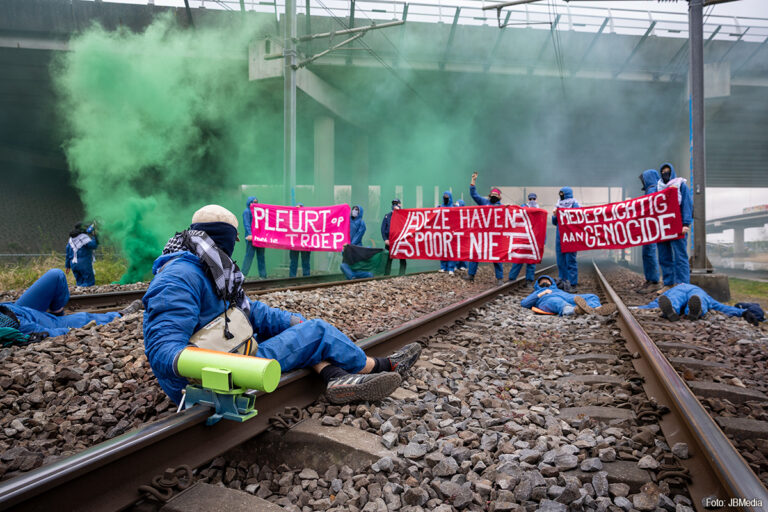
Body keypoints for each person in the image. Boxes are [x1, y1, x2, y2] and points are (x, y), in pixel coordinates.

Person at [143, 205, 421, 405]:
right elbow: (162, 350)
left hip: (226, 357)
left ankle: (335, 377)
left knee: (292, 331)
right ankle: (383, 367)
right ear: (226, 239)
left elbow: (249, 312)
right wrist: (224, 367)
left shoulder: (208, 267)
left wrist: (291, 321)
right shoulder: (178, 279)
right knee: (317, 333)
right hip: (212, 375)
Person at [0, 269, 140, 340]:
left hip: (11, 309)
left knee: (56, 275)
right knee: (82, 320)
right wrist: (70, 331)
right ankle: (118, 315)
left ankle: (56, 317)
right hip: (16, 324)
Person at [637, 283, 761, 325]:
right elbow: (721, 307)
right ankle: (693, 312)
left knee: (676, 298)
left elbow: (655, 303)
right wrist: (742, 312)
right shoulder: (702, 293)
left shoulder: (674, 289)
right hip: (696, 293)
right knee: (700, 299)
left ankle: (673, 311)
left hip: (684, 292)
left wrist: (743, 312)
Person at [656, 162, 692, 293]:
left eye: (668, 172)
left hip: (677, 226)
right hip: (662, 227)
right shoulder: (658, 188)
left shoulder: (681, 185)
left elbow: (687, 204)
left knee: (680, 256)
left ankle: (683, 285)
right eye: (663, 172)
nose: (665, 174)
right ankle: (668, 284)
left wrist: (686, 223)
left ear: (672, 173)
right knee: (664, 256)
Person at [465, 172, 504, 285]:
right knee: (475, 253)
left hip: (495, 236)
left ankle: (500, 278)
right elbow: (474, 195)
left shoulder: (502, 207)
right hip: (481, 234)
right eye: (492, 195)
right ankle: (471, 275)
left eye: (496, 196)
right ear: (489, 195)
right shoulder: (484, 202)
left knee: (496, 256)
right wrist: (473, 180)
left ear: (499, 197)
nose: (493, 197)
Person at [521, 275, 616, 316]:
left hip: (566, 296)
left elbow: (569, 295)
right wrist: (541, 293)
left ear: (552, 283)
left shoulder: (557, 289)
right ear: (538, 284)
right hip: (547, 300)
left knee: (591, 296)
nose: (545, 282)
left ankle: (597, 309)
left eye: (547, 281)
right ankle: (575, 310)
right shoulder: (537, 292)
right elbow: (524, 303)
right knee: (557, 302)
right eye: (542, 281)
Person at [508, 193, 540, 285]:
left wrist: (542, 241)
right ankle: (512, 279)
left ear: (536, 199)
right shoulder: (523, 208)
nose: (532, 201)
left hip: (533, 239)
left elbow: (541, 226)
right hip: (523, 238)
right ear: (528, 200)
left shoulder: (539, 210)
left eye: (533, 199)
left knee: (531, 261)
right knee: (518, 259)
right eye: (530, 199)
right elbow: (516, 211)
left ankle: (529, 281)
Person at [552, 187, 580, 289]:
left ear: (568, 194)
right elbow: (554, 222)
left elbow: (578, 216)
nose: (561, 196)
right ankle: (563, 282)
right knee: (560, 261)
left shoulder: (575, 204)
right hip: (559, 236)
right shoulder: (557, 205)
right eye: (560, 194)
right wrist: (555, 215)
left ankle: (572, 284)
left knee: (570, 260)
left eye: (563, 194)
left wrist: (564, 212)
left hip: (571, 236)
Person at [639, 170, 661, 290]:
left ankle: (653, 281)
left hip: (651, 228)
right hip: (649, 227)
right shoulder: (651, 190)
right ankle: (650, 280)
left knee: (649, 253)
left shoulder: (652, 190)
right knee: (648, 253)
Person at [65, 223, 98, 287]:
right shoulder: (83, 237)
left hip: (73, 264)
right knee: (89, 282)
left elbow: (68, 254)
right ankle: (87, 296)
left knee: (79, 282)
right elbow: (93, 245)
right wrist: (95, 236)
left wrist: (67, 266)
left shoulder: (71, 239)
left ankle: (80, 294)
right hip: (84, 263)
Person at [241, 196, 267, 279]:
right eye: (253, 202)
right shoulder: (247, 211)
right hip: (251, 238)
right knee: (249, 256)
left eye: (256, 202)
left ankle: (263, 275)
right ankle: (243, 274)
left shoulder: (259, 212)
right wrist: (250, 234)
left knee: (261, 256)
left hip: (259, 238)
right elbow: (247, 224)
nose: (255, 204)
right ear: (249, 203)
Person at [381, 198, 407, 276]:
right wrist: (385, 239)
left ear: (400, 204)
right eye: (393, 203)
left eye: (396, 203)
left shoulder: (404, 214)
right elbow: (383, 229)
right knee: (388, 260)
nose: (394, 205)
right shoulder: (387, 216)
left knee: (402, 259)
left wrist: (399, 212)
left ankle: (401, 275)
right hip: (390, 241)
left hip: (400, 241)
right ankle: (386, 276)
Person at [289, 204, 311, 278]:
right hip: (295, 243)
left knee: (305, 261)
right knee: (294, 262)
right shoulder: (291, 218)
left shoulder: (308, 218)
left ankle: (306, 276)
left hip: (304, 242)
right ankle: (292, 277)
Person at [438, 191, 456, 275]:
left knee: (451, 251)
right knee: (443, 250)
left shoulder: (454, 208)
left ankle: (451, 268)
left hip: (451, 233)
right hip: (442, 232)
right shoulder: (440, 207)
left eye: (447, 197)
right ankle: (443, 267)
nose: (445, 198)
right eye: (444, 197)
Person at [453, 199, 468, 271]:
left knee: (463, 249)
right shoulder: (454, 213)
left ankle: (463, 265)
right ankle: (455, 265)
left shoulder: (466, 214)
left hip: (463, 235)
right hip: (456, 234)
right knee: (456, 250)